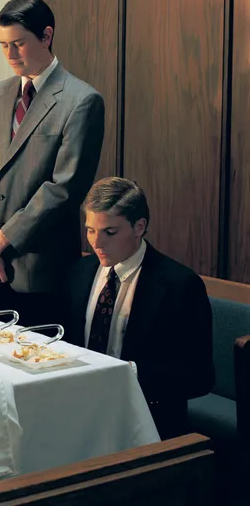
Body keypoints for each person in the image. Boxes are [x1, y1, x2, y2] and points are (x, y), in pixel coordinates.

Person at [0, 0, 105, 326]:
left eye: (18, 44)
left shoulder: (82, 100)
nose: (9, 55)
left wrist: (2, 240)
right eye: (3, 45)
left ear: (46, 36)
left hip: (41, 270)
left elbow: (65, 188)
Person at [65, 177, 215, 439]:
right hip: (78, 411)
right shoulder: (79, 273)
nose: (96, 243)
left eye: (109, 232)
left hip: (147, 421)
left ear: (139, 227)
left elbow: (200, 377)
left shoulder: (180, 285)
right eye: (90, 230)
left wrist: (126, 374)